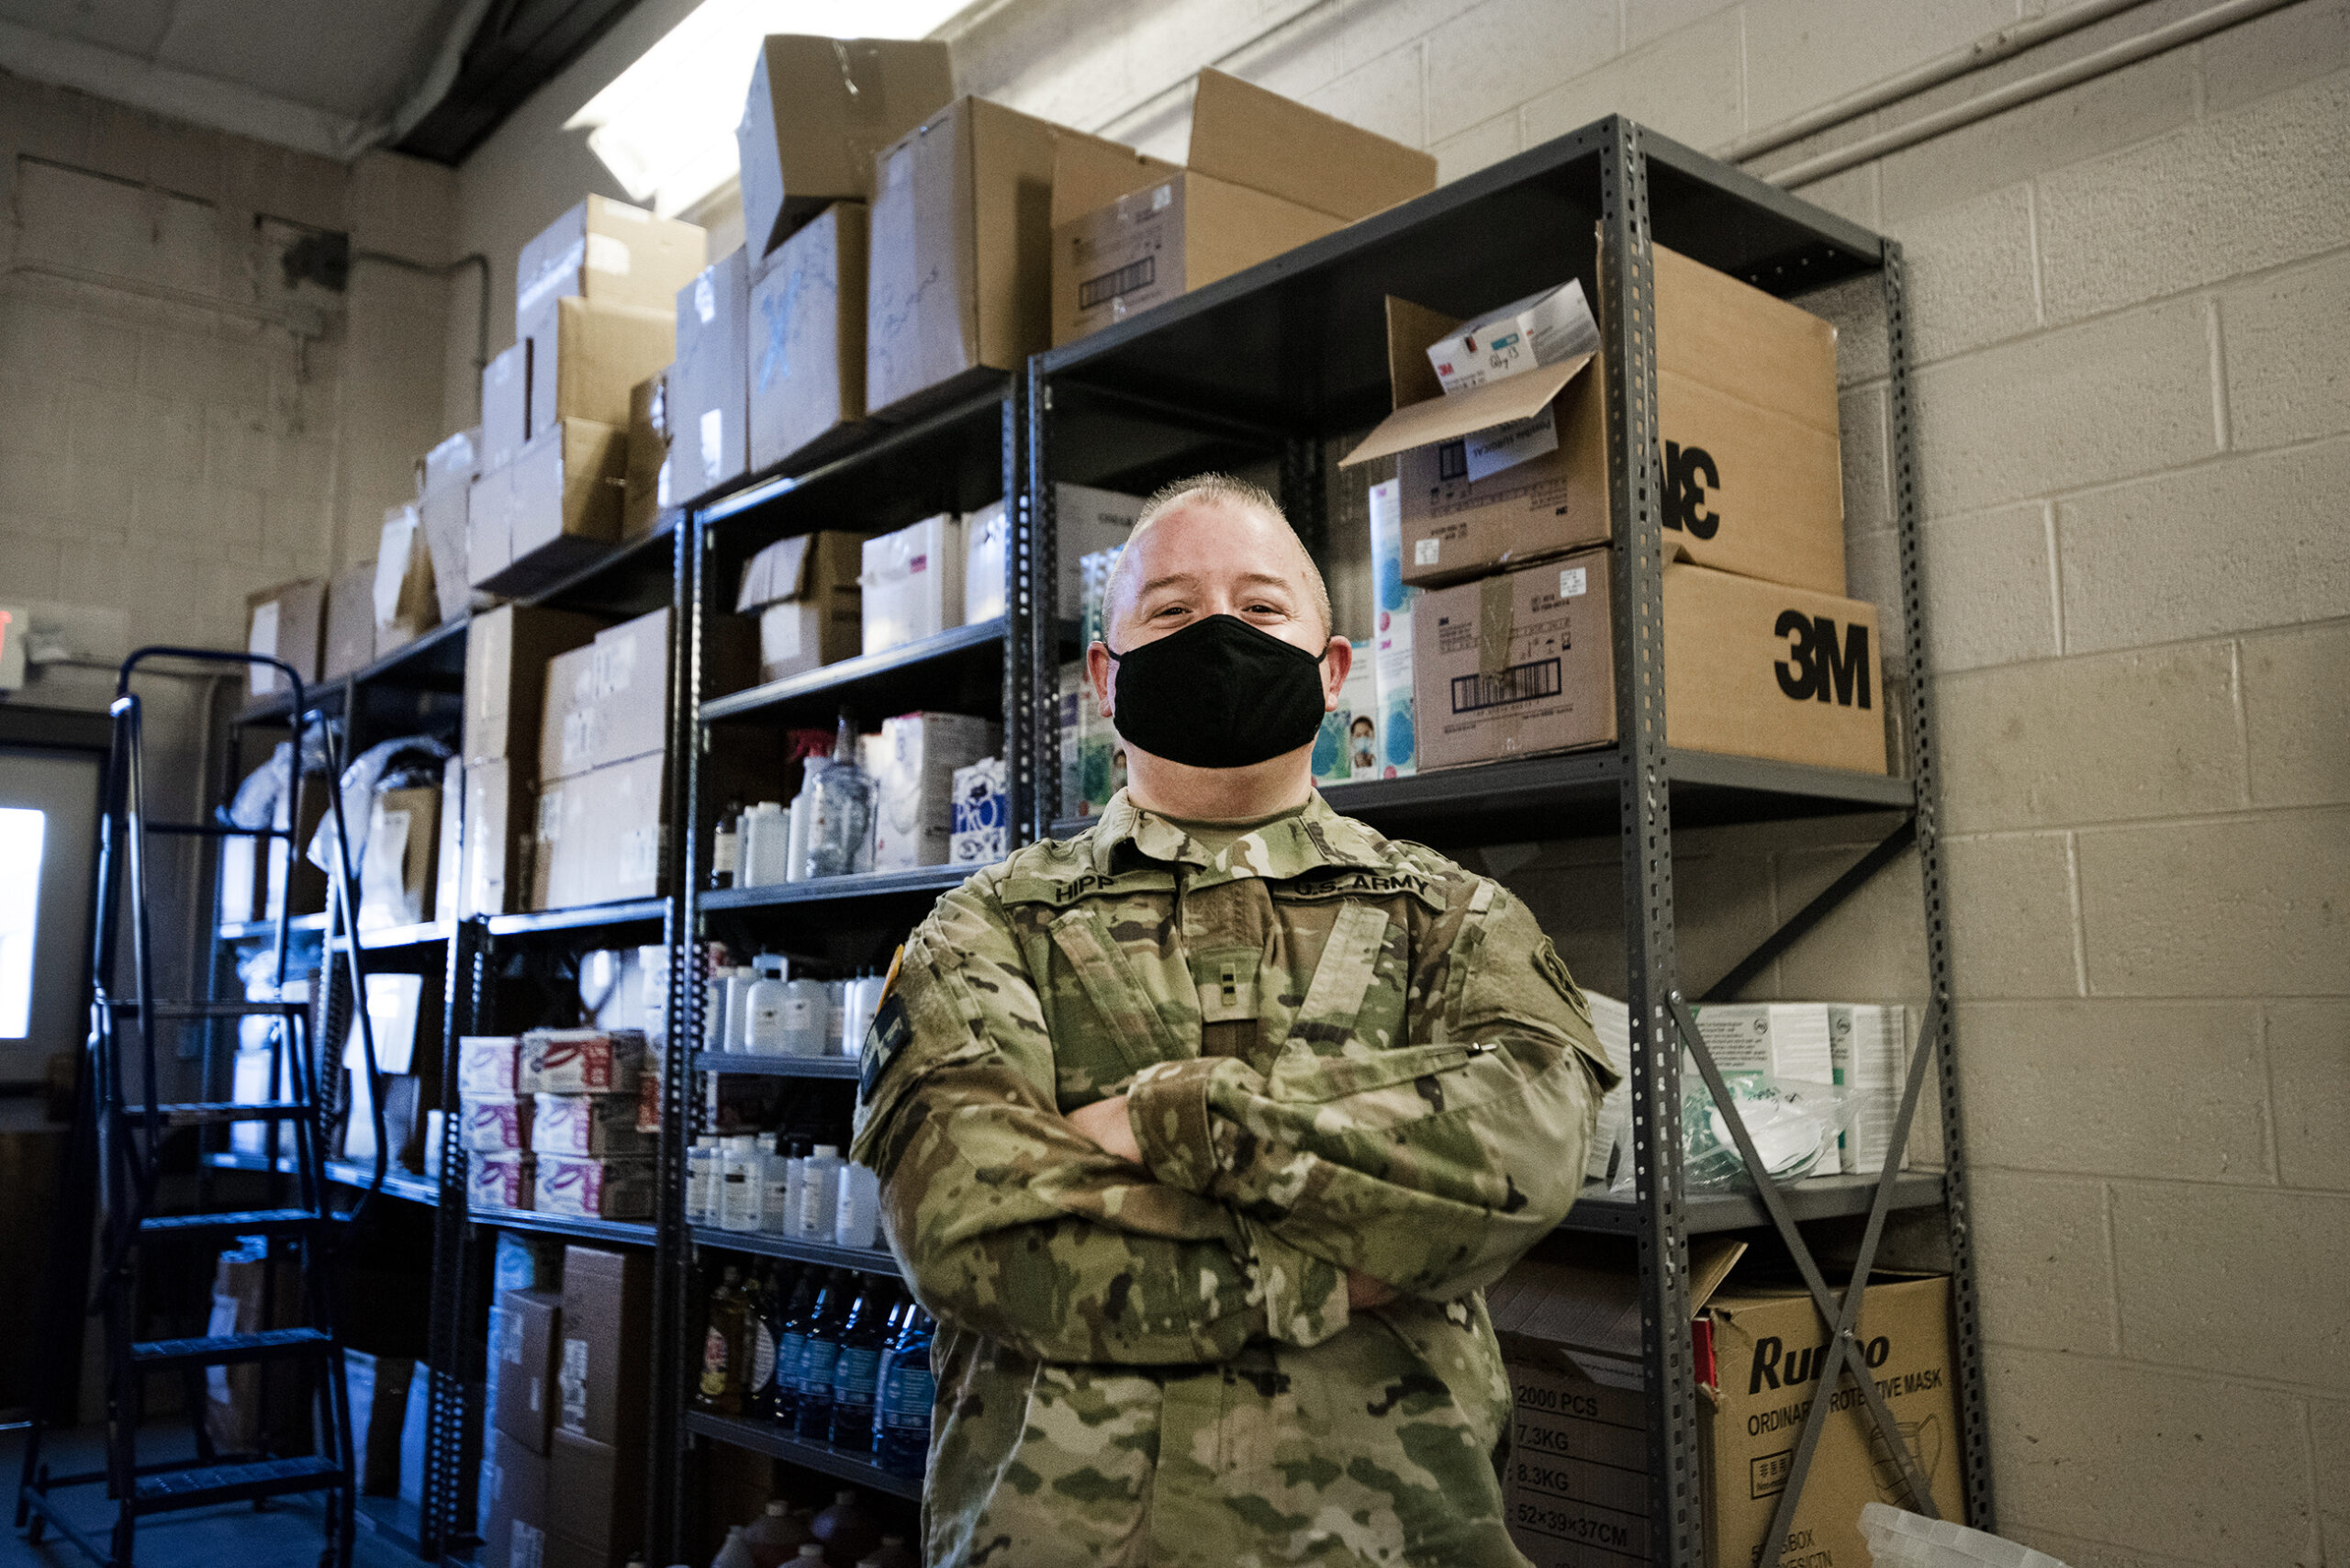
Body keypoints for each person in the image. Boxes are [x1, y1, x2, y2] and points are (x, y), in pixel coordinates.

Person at [848, 473, 1617, 1567]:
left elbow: (1528, 1150)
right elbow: (975, 1228)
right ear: (1105, 680)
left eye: (1259, 609)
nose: (1217, 633)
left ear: (1332, 667)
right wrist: (1330, 1267)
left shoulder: (1453, 918)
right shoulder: (987, 928)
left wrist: (1181, 1118)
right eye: (1170, 610)